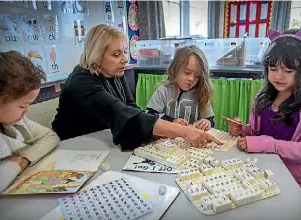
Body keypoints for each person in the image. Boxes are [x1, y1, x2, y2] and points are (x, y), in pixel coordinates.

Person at [52, 24, 221, 150]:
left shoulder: (113, 73)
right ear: (96, 57)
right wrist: (183, 132)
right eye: (116, 54)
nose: (125, 59)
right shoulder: (81, 82)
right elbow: (121, 113)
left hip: (102, 142)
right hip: (73, 147)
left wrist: (163, 130)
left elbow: (132, 110)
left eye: (124, 52)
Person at [227, 29, 301, 186]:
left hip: (291, 180)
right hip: (258, 170)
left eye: (288, 70)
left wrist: (270, 144)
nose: (278, 76)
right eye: (273, 69)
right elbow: (257, 134)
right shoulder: (262, 99)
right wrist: (242, 131)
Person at [0, 51, 60, 205]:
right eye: (22, 105)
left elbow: (50, 137)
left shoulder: (11, 120)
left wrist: (23, 159)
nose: (27, 111)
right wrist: (11, 166)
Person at [146, 45, 215, 130]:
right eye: (187, 72)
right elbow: (150, 116)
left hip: (191, 140)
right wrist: (172, 121)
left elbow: (210, 119)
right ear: (175, 69)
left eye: (197, 76)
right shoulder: (163, 90)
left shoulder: (201, 92)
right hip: (166, 140)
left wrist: (206, 122)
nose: (191, 79)